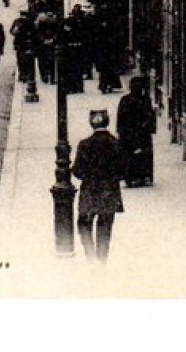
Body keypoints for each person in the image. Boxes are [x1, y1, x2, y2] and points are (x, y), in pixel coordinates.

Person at [71, 108, 124, 262]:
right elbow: (123, 171)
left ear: (91, 124)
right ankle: (102, 259)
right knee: (105, 226)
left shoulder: (84, 144)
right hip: (109, 191)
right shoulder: (116, 143)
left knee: (84, 223)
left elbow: (77, 171)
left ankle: (90, 255)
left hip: (90, 191)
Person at [117, 75, 157, 187]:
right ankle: (143, 176)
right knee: (143, 155)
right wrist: (147, 128)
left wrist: (121, 132)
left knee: (129, 155)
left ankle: (129, 176)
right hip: (141, 132)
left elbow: (120, 118)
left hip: (129, 133)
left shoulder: (125, 100)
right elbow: (150, 117)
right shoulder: (145, 100)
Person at [9, 8, 37, 89]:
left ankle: (22, 74)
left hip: (19, 44)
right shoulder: (30, 22)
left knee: (20, 59)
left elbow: (12, 32)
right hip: (28, 44)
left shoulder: (17, 21)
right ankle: (28, 75)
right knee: (29, 60)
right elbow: (34, 33)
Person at [34, 8, 59, 84]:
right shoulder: (54, 20)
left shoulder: (41, 21)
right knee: (50, 61)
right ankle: (50, 77)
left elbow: (37, 33)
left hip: (43, 44)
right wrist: (52, 40)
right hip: (47, 43)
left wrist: (44, 40)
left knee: (44, 61)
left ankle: (46, 76)